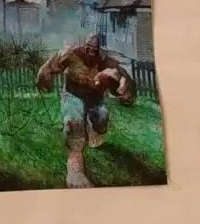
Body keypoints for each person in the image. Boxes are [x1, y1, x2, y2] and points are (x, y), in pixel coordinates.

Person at [35, 33, 135, 188]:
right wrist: (43, 78)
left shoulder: (106, 61)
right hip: (73, 95)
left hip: (96, 100)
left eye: (95, 49)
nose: (91, 52)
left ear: (99, 49)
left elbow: (124, 81)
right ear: (84, 45)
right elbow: (49, 67)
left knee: (101, 120)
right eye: (88, 48)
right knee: (74, 126)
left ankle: (94, 131)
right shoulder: (70, 54)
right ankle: (75, 172)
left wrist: (124, 90)